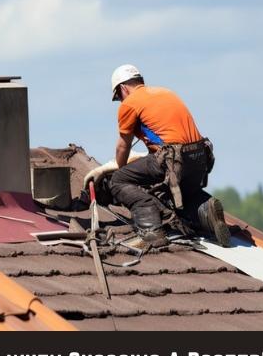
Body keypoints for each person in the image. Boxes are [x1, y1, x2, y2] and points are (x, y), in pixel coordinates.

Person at [84, 64, 231, 247]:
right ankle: (206, 208)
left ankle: (151, 230)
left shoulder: (130, 103)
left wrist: (115, 168)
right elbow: (163, 141)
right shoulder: (165, 93)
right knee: (178, 193)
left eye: (118, 97)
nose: (120, 101)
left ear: (123, 88)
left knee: (119, 180)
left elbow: (123, 146)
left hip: (174, 158)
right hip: (199, 155)